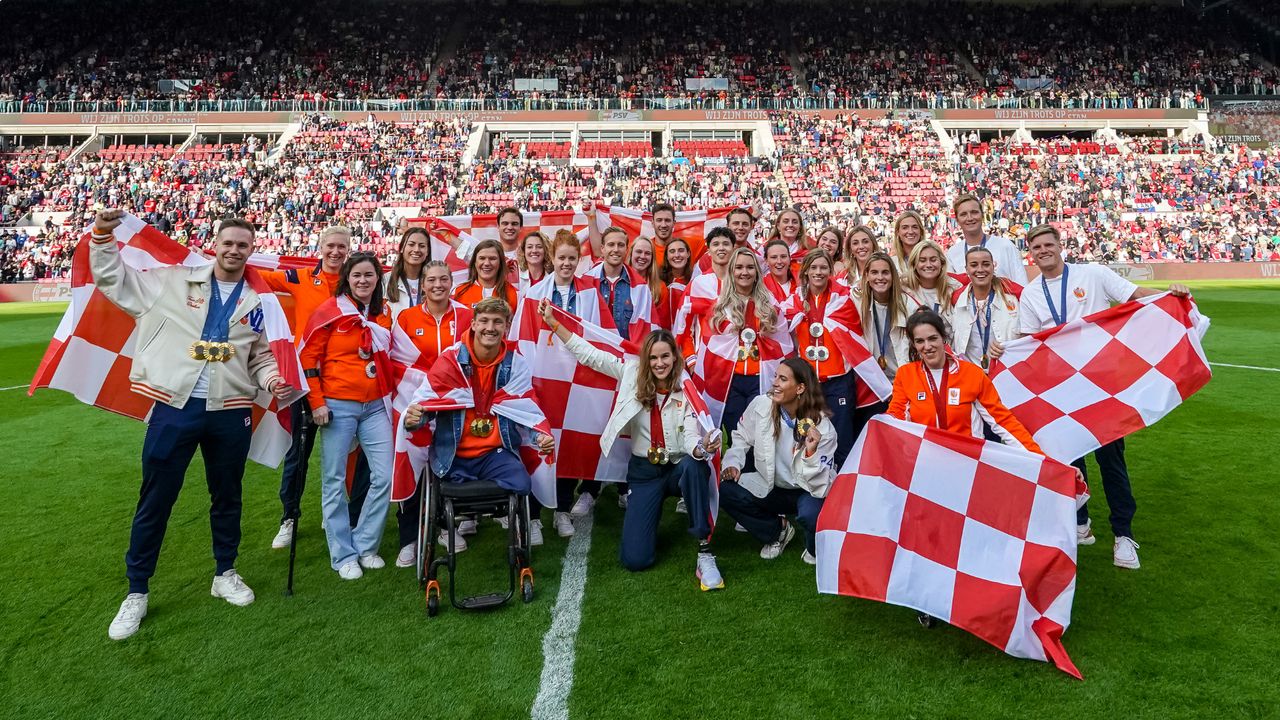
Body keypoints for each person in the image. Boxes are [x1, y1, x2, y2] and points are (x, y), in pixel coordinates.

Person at [90, 209, 291, 641]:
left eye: (243, 245)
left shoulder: (257, 300)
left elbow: (258, 355)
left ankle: (225, 572)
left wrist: (272, 377)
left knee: (228, 496)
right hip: (175, 406)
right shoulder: (173, 282)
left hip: (231, 409)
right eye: (229, 243)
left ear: (251, 251)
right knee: (156, 499)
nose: (235, 250)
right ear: (215, 244)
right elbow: (114, 281)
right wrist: (104, 235)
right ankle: (137, 591)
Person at [1017, 223, 1190, 570]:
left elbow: (1135, 294)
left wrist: (1171, 295)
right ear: (1031, 254)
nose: (1043, 251)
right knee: (1070, 458)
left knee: (1111, 460)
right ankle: (1081, 524)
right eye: (1036, 248)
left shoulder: (1092, 274)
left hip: (1102, 387)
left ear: (1060, 245)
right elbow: (1029, 344)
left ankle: (1123, 535)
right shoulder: (1031, 294)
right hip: (1062, 389)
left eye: (1048, 244)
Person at [541, 314, 724, 589]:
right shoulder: (630, 373)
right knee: (635, 560)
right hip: (645, 471)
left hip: (677, 467)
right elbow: (591, 355)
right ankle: (646, 524)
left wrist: (700, 448)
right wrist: (556, 324)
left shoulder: (686, 389)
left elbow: (690, 435)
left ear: (675, 358)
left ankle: (705, 551)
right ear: (645, 360)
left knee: (696, 467)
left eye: (665, 357)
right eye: (653, 358)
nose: (659, 363)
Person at [401, 297, 556, 523]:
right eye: (484, 321)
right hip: (454, 453)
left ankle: (481, 515)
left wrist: (539, 436)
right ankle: (466, 518)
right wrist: (415, 418)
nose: (490, 328)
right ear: (473, 324)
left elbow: (526, 410)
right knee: (450, 491)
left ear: (506, 327)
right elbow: (427, 404)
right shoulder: (451, 360)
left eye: (497, 322)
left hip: (495, 453)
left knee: (523, 484)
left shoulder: (516, 364)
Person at [260, 225, 365, 551]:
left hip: (343, 383)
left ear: (348, 249)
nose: (336, 252)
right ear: (320, 247)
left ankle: (336, 512)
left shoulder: (355, 284)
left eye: (341, 247)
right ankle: (289, 517)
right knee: (299, 455)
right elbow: (257, 276)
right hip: (304, 382)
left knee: (344, 453)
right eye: (331, 246)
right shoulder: (300, 278)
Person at [299, 253, 395, 580]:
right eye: (357, 275)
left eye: (369, 275)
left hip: (376, 405)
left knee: (385, 475)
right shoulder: (329, 311)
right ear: (347, 278)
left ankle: (365, 543)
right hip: (338, 405)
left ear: (377, 279)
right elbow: (309, 359)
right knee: (335, 480)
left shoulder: (384, 313)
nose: (363, 281)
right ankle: (342, 554)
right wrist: (316, 402)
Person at [390, 261, 473, 565]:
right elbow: (397, 361)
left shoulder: (467, 315)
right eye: (431, 280)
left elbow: (474, 357)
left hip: (455, 406)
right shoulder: (407, 318)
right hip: (416, 404)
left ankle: (444, 527)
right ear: (421, 285)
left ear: (452, 282)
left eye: (443, 279)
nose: (437, 285)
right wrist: (429, 385)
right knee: (412, 466)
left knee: (448, 464)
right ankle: (409, 538)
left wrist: (448, 388)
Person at [720, 358, 837, 565]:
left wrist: (810, 454)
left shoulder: (823, 429)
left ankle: (813, 546)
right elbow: (741, 437)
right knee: (726, 490)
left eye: (782, 379)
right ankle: (778, 531)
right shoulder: (761, 405)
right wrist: (733, 463)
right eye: (775, 376)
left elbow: (821, 487)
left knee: (811, 518)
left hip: (807, 490)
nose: (774, 382)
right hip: (771, 485)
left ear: (800, 388)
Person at [888, 308, 1041, 452]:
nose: (927, 346)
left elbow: (1002, 420)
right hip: (925, 459)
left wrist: (1038, 458)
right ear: (914, 345)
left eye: (932, 338)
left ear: (943, 339)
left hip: (969, 462)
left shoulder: (972, 373)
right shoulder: (906, 375)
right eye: (920, 341)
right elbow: (896, 418)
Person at [785, 250, 859, 466]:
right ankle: (808, 486)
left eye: (823, 267)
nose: (818, 272)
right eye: (814, 267)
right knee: (807, 435)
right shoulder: (795, 299)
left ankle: (843, 490)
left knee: (843, 438)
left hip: (839, 381)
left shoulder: (843, 297)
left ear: (830, 270)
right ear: (806, 270)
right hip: (807, 384)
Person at [708, 247, 791, 437]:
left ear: (757, 273)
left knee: (759, 436)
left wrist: (763, 335)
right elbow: (711, 344)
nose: (744, 272)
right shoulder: (720, 305)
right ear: (731, 272)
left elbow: (783, 343)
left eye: (749, 268)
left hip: (761, 379)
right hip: (731, 380)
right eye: (738, 268)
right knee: (734, 434)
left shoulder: (769, 304)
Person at [950, 246, 1019, 372]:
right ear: (966, 269)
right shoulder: (957, 302)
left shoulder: (1013, 300)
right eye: (974, 265)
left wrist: (1007, 347)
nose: (980, 269)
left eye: (986, 264)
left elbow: (1025, 336)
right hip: (970, 375)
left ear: (993, 266)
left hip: (1004, 372)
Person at [947, 193, 1029, 284]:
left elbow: (1022, 285)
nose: (969, 218)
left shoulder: (1006, 246)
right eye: (963, 214)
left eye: (974, 212)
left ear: (982, 215)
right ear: (957, 220)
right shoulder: (952, 253)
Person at [901, 239, 961, 320]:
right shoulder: (903, 290)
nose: (928, 265)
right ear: (914, 264)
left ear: (942, 262)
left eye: (933, 260)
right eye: (922, 260)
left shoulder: (954, 288)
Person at [452, 238, 517, 311]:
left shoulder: (515, 294)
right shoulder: (458, 292)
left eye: (492, 258)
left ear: (500, 263)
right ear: (475, 262)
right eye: (482, 258)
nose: (486, 263)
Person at [384, 226, 431, 319]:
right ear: (401, 248)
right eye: (411, 244)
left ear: (427, 251)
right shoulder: (385, 280)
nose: (416, 249)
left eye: (422, 246)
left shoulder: (435, 282)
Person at [654, 236, 692, 330]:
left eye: (681, 250)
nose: (677, 255)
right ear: (666, 256)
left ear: (688, 254)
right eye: (672, 251)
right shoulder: (657, 280)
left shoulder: (696, 280)